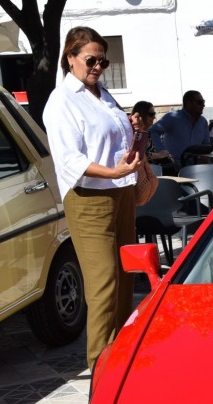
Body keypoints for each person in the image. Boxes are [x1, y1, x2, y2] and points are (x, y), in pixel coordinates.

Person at [43, 26, 142, 369]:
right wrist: (112, 173)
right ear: (70, 58)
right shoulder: (62, 100)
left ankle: (123, 359)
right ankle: (101, 371)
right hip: (89, 198)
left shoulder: (103, 94)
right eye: (91, 59)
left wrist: (127, 124)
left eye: (103, 60)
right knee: (103, 287)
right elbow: (69, 159)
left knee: (126, 278)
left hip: (121, 192)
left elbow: (107, 138)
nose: (98, 66)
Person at [149, 89, 210, 168]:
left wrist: (205, 156)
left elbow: (206, 145)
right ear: (188, 104)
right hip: (175, 167)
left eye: (203, 102)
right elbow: (153, 131)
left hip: (197, 167)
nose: (203, 105)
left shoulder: (203, 122)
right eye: (200, 102)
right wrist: (162, 151)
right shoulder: (172, 118)